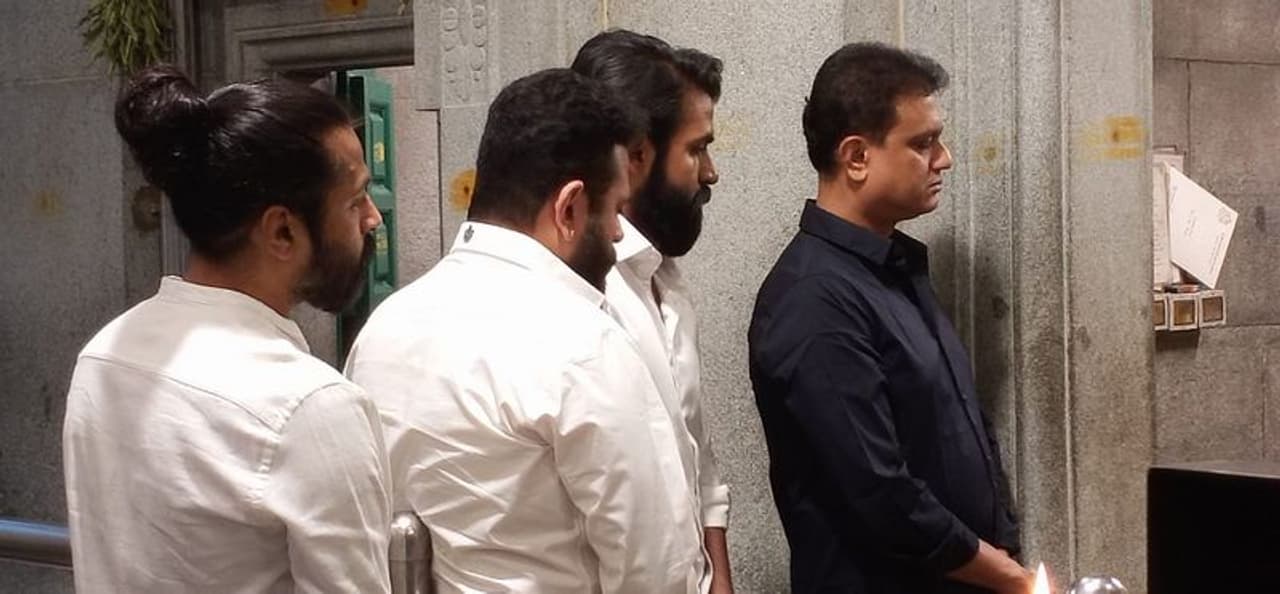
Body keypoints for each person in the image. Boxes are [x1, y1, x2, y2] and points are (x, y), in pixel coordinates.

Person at [345, 68, 706, 593]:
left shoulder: (383, 331)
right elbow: (658, 570)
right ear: (569, 208)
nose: (616, 233)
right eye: (613, 210)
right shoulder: (584, 343)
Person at [62, 66, 391, 593]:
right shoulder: (310, 405)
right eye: (354, 200)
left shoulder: (102, 354)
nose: (373, 218)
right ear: (282, 230)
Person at [748, 43, 1029, 594]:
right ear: (856, 157)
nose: (945, 158)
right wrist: (1008, 575)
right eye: (923, 143)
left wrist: (1003, 543)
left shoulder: (894, 268)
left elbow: (961, 426)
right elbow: (879, 490)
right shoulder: (814, 298)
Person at [571, 29, 733, 594]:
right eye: (696, 149)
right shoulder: (582, 294)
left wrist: (719, 577)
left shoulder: (665, 280)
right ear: (637, 156)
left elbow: (696, 458)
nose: (710, 172)